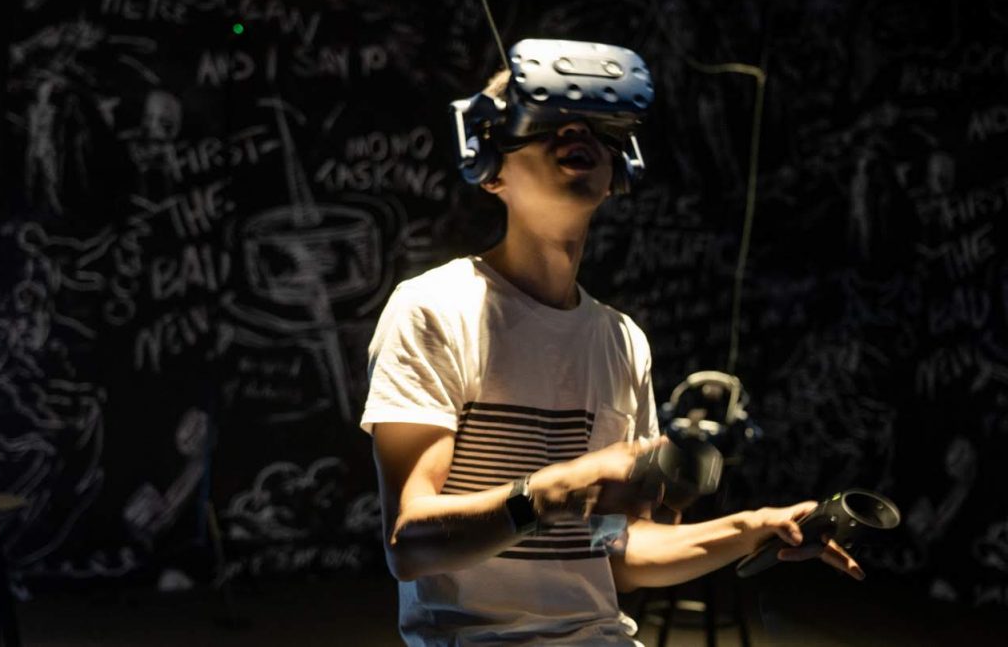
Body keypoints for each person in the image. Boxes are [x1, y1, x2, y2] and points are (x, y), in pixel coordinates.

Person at [360, 70, 863, 646]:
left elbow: (618, 551)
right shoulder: (433, 309)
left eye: (599, 125)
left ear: (619, 168)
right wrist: (554, 491)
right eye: (546, 121)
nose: (577, 133)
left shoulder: (622, 341)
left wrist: (750, 529)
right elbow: (409, 544)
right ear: (490, 167)